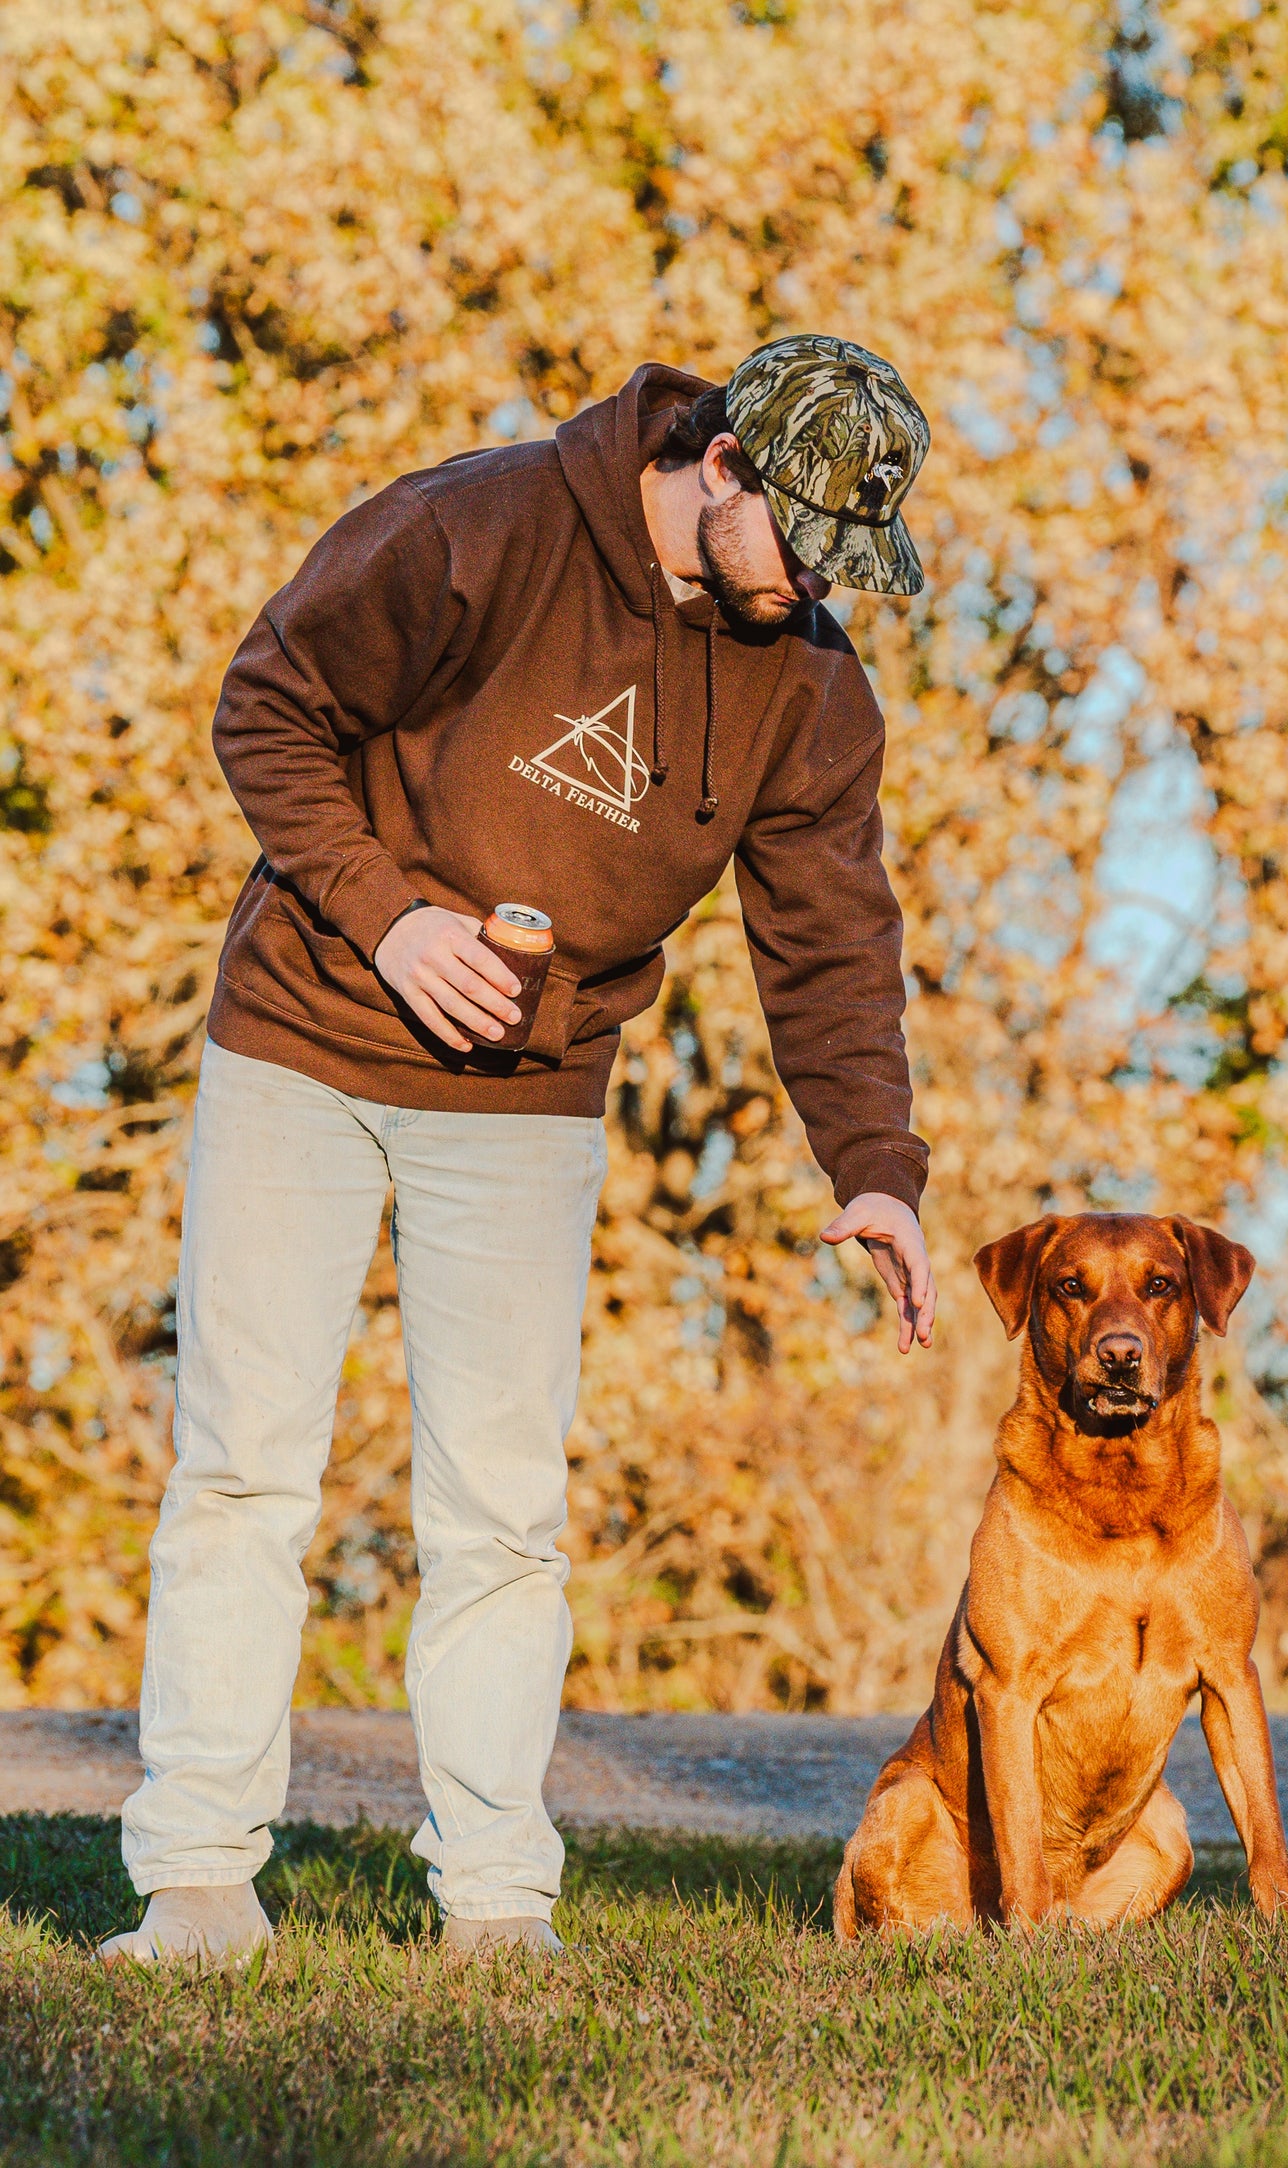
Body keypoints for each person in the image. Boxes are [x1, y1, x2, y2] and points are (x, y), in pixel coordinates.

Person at [100, 334, 938, 1967]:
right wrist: (390, 915)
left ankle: (495, 1904)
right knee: (244, 1469)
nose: (810, 590)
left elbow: (831, 938)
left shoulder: (809, 685)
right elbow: (267, 707)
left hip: (527, 1102)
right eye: (803, 545)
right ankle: (196, 1879)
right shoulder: (473, 530)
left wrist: (876, 1165)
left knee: (501, 1512)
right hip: (302, 1045)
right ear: (722, 469)